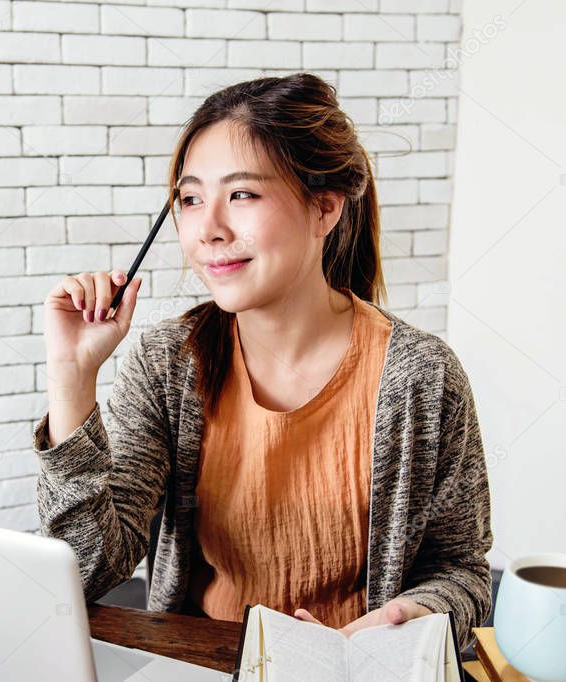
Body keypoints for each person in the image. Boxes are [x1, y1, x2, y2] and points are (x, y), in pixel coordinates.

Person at [33, 72, 492, 652]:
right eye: (191, 198)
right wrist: (71, 379)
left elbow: (465, 574)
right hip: (203, 663)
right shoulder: (167, 365)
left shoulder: (422, 375)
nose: (209, 230)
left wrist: (409, 618)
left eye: (242, 194)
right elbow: (87, 569)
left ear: (324, 207)